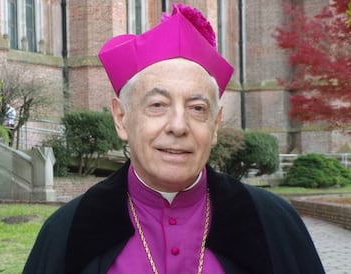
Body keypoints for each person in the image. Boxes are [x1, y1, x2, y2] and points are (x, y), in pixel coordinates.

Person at [23, 4, 324, 274]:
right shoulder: (68, 232)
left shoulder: (273, 223)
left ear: (216, 124)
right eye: (157, 105)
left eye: (197, 108)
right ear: (121, 118)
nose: (178, 126)